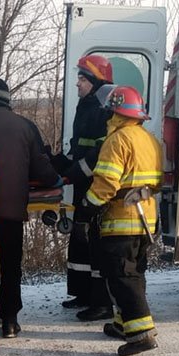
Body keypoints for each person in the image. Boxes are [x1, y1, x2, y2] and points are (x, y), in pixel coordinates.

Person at [74, 85, 164, 356]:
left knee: (122, 277)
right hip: (147, 217)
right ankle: (123, 324)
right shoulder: (150, 139)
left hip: (122, 218)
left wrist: (88, 205)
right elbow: (158, 181)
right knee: (134, 272)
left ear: (114, 112)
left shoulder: (117, 140)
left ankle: (142, 335)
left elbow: (106, 183)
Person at [0, 77, 60, 338]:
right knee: (10, 266)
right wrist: (56, 180)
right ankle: (9, 320)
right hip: (11, 210)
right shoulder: (25, 126)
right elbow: (41, 167)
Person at [57, 54, 115, 321]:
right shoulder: (86, 105)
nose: (77, 83)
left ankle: (101, 302)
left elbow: (101, 152)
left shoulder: (104, 108)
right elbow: (80, 146)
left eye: (82, 78)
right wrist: (59, 163)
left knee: (96, 243)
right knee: (80, 240)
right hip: (84, 185)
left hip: (97, 187)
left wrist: (73, 173)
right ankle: (82, 293)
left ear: (95, 80)